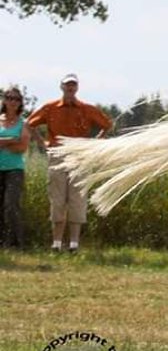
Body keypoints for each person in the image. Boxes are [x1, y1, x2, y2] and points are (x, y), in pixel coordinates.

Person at [26, 73, 113, 252]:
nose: (70, 88)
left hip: (79, 155)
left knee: (77, 199)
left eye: (73, 85)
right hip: (57, 154)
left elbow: (107, 125)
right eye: (67, 85)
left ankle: (74, 244)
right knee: (57, 198)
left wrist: (94, 144)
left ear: (77, 88)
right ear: (62, 87)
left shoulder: (87, 109)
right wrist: (42, 143)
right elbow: (29, 124)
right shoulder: (50, 108)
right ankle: (56, 243)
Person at [0, 86, 31, 249]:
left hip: (14, 170)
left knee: (11, 205)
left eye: (16, 99)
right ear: (4, 100)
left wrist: (3, 142)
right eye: (9, 98)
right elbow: (16, 143)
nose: (13, 102)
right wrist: (12, 139)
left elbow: (22, 147)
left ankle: (15, 243)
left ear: (20, 103)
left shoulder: (23, 123)